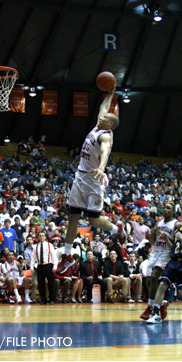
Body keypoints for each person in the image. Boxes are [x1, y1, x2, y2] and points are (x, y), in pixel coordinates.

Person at [57, 90, 122, 274]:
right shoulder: (99, 125)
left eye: (103, 120)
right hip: (80, 175)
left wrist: (102, 167)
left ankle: (117, 230)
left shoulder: (105, 135)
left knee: (93, 220)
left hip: (94, 179)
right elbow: (103, 107)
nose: (99, 119)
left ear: (109, 124)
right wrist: (110, 92)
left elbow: (106, 150)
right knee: (73, 216)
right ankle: (67, 255)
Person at [140, 203, 179, 320]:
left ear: (173, 212)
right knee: (149, 281)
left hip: (166, 252)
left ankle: (150, 307)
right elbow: (151, 241)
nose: (165, 210)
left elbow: (177, 242)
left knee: (154, 277)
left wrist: (164, 235)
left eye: (168, 208)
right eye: (165, 208)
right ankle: (162, 303)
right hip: (155, 252)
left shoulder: (176, 224)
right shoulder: (158, 223)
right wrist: (153, 233)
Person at [30, 232, 58, 305]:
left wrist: (55, 266)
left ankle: (52, 299)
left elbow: (54, 256)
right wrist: (31, 266)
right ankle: (43, 299)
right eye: (40, 236)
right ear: (38, 237)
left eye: (43, 236)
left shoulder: (49, 245)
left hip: (48, 265)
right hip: (40, 266)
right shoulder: (35, 246)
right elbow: (33, 258)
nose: (41, 237)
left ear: (45, 237)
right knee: (41, 284)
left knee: (51, 283)